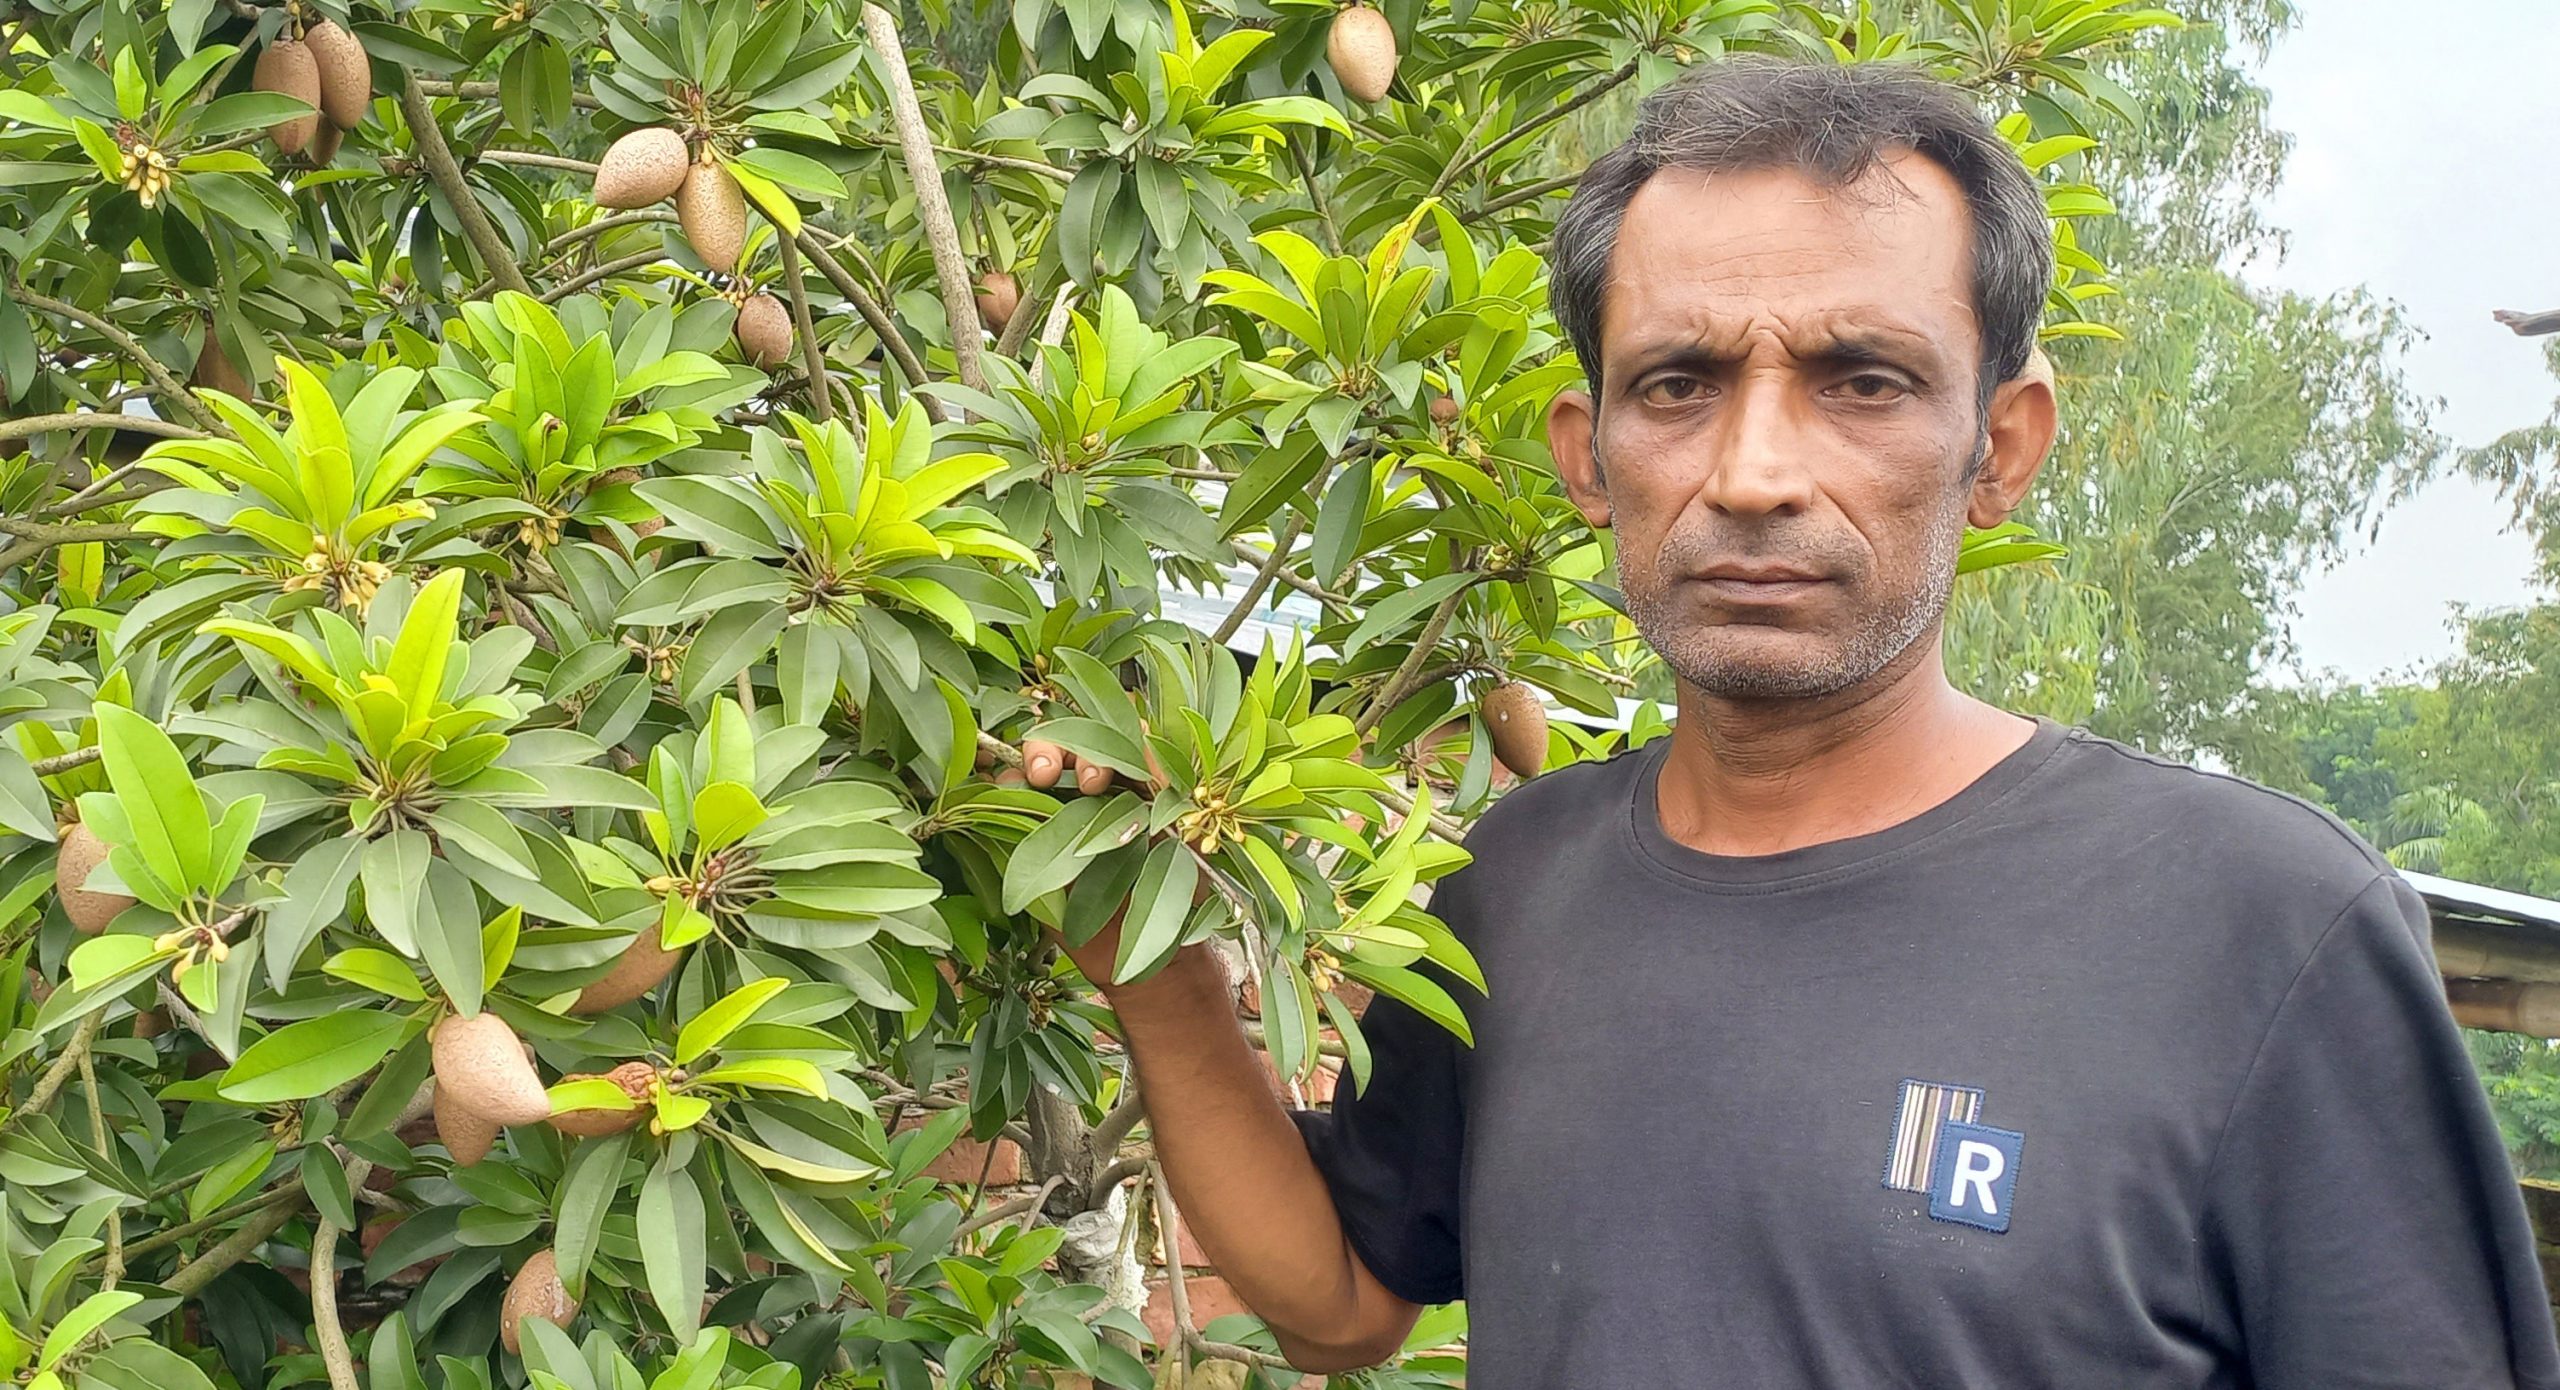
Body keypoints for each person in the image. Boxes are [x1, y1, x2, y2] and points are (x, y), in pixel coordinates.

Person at [1035, 57, 2560, 1388]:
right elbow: (1343, 1300)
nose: (1756, 468)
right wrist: (1158, 973)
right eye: (1680, 382)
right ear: (1588, 454)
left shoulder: (2259, 930)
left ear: (2000, 444)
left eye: (1864, 380)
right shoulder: (1515, 883)